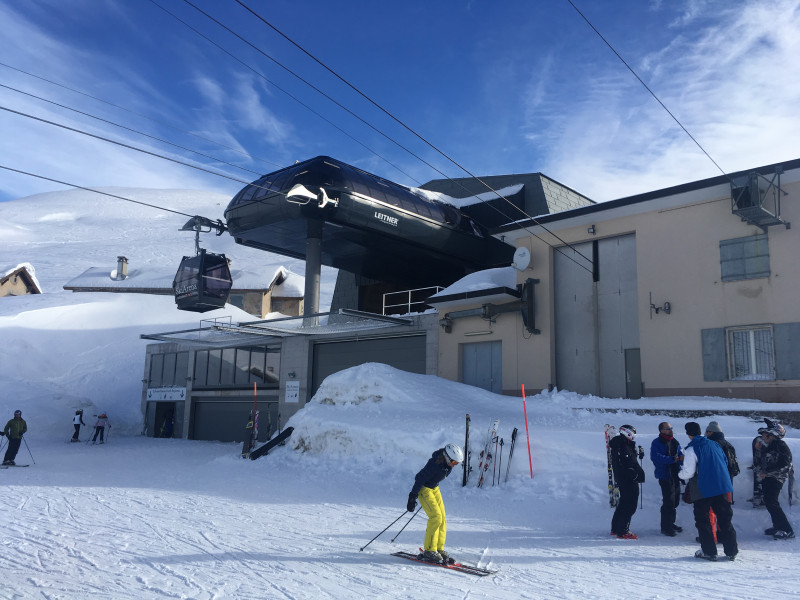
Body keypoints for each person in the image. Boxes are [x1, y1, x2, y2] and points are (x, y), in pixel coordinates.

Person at [679, 421, 738, 561]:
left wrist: (680, 474)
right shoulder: (715, 444)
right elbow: (724, 461)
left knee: (703, 520)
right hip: (722, 486)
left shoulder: (692, 449)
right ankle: (731, 551)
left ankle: (709, 551)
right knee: (725, 519)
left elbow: (688, 472)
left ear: (688, 434)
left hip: (703, 489)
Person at [407, 443, 464, 564]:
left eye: (457, 463)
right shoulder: (434, 464)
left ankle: (438, 549)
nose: (454, 465)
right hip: (424, 489)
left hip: (434, 488)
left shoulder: (447, 464)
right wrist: (412, 496)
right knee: (436, 517)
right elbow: (419, 478)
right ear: (447, 457)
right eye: (454, 462)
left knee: (442, 518)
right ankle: (429, 550)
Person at [756, 421, 794, 540]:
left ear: (772, 435)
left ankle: (787, 530)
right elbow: (766, 461)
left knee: (772, 502)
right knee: (769, 502)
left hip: (776, 478)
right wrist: (759, 450)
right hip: (769, 478)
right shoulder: (771, 446)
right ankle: (778, 526)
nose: (763, 438)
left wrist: (767, 472)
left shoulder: (780, 445)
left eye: (764, 435)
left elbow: (785, 464)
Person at [610, 425, 645, 539]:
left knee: (624, 503)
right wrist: (635, 475)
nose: (633, 435)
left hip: (625, 479)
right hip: (627, 480)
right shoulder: (622, 445)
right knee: (630, 505)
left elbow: (628, 460)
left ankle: (616, 528)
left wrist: (637, 453)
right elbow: (626, 464)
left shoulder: (622, 444)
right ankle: (623, 531)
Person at [650, 422, 684, 536]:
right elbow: (655, 457)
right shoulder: (657, 442)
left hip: (675, 475)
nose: (670, 430)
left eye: (671, 428)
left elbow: (680, 453)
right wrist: (672, 459)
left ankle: (671, 522)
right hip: (665, 476)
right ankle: (666, 527)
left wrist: (682, 458)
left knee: (675, 501)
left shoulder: (674, 441)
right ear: (661, 430)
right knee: (668, 501)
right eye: (668, 428)